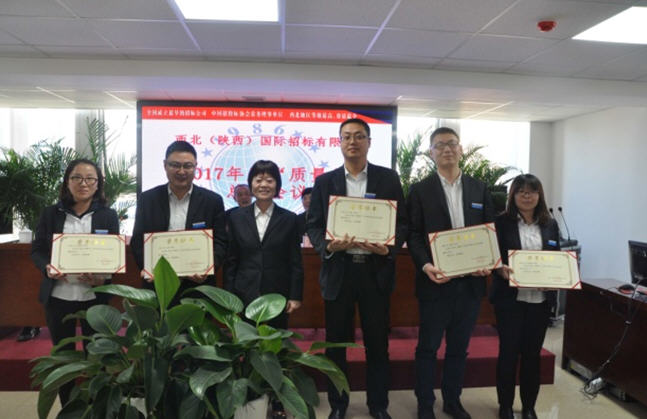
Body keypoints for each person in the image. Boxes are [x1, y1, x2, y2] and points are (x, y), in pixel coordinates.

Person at [306, 118, 407, 419]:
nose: (353, 142)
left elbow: (402, 222)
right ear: (339, 143)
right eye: (347, 136)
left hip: (375, 272)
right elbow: (314, 225)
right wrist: (328, 246)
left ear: (369, 142)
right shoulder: (325, 182)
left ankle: (378, 405)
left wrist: (388, 247)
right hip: (340, 271)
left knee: (377, 344)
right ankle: (338, 405)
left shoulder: (388, 179)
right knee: (336, 344)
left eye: (359, 136)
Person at [407, 127, 494, 419]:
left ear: (460, 149)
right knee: (428, 347)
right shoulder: (419, 190)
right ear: (431, 153)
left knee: (459, 347)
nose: (447, 149)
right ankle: (425, 403)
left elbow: (489, 231)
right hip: (436, 282)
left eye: (452, 144)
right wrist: (425, 265)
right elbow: (414, 235)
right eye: (440, 145)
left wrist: (488, 261)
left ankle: (452, 400)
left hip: (470, 284)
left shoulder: (479, 188)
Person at [31, 158, 120, 406]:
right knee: (64, 359)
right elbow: (37, 250)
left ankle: (96, 408)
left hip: (94, 297)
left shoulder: (108, 216)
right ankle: (69, 409)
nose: (84, 183)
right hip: (59, 297)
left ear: (98, 184)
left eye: (90, 178)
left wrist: (101, 276)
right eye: (77, 178)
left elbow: (113, 254)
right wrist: (48, 267)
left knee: (97, 357)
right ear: (67, 182)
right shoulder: (51, 213)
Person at [224, 160, 303, 419]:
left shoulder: (289, 219)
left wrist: (295, 296)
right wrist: (228, 297)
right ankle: (249, 397)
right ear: (251, 184)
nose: (263, 184)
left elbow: (295, 261)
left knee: (275, 350)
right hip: (244, 292)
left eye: (269, 180)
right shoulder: (236, 217)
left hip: (277, 295)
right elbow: (231, 260)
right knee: (246, 348)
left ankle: (277, 400)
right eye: (258, 179)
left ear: (277, 185)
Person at [490, 174, 560, 419]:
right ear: (513, 195)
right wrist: (499, 269)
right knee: (508, 354)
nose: (527, 196)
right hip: (510, 299)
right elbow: (491, 256)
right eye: (521, 192)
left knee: (532, 355)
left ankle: (529, 406)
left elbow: (557, 259)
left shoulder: (550, 224)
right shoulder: (501, 222)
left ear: (539, 195)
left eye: (532, 191)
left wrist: (555, 279)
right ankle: (505, 406)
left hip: (539, 303)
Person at [130, 141, 227, 302]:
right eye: (175, 165)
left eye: (187, 166)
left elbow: (221, 242)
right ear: (165, 165)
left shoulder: (212, 201)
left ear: (195, 167)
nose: (181, 171)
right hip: (158, 286)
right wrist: (148, 268)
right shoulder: (148, 199)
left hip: (197, 288)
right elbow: (138, 240)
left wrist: (208, 268)